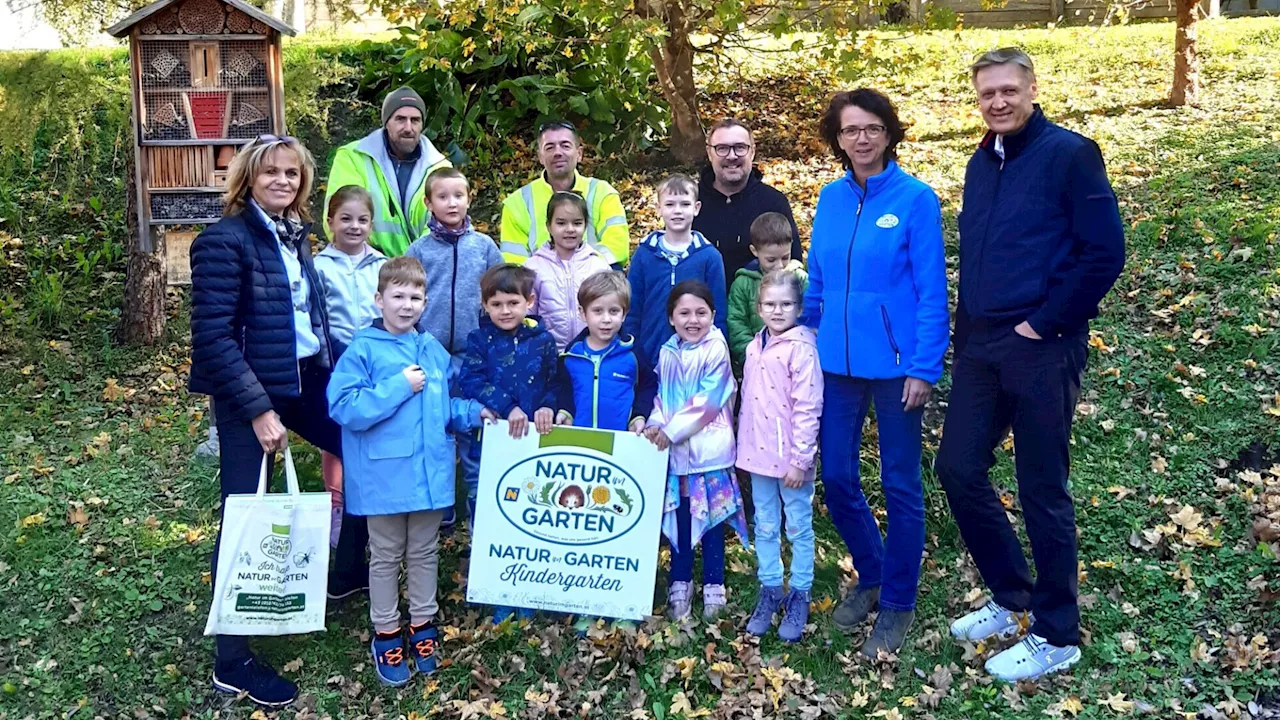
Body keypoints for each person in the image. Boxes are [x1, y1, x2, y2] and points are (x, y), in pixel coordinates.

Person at [936, 48, 1125, 682]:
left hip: (1044, 343)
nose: (998, 102)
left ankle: (1057, 632)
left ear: (1032, 89)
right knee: (958, 468)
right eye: (987, 93)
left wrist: (1043, 322)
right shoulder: (979, 161)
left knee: (1042, 488)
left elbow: (1105, 253)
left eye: (1009, 90)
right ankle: (1011, 593)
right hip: (983, 346)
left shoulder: (1070, 154)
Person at [188, 135, 369, 708]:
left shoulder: (295, 238)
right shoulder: (223, 240)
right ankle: (233, 658)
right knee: (243, 511)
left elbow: (306, 320)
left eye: (293, 173)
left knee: (361, 452)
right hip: (253, 394)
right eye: (272, 173)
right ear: (248, 177)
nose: (284, 181)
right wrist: (260, 410)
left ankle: (345, 575)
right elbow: (212, 338)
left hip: (303, 379)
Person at [802, 89, 949, 658]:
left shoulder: (916, 200)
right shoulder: (831, 198)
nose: (861, 139)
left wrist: (923, 366)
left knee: (900, 484)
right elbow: (817, 277)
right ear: (837, 139)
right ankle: (873, 572)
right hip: (836, 364)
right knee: (836, 477)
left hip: (895, 369)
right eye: (849, 130)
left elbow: (932, 291)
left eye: (871, 128)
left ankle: (898, 602)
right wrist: (805, 335)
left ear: (889, 133)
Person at [326, 257, 494, 687]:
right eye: (397, 296)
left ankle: (422, 625)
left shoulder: (431, 349)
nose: (407, 305)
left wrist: (474, 412)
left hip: (429, 472)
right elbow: (344, 407)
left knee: (423, 552)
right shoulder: (362, 349)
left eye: (415, 297)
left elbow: (444, 407)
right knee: (384, 555)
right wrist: (398, 385)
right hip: (384, 477)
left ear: (425, 301)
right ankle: (385, 631)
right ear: (379, 299)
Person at [459, 263, 565, 622]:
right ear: (485, 305)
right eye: (497, 304)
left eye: (513, 303)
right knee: (493, 513)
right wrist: (508, 407)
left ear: (529, 302)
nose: (505, 311)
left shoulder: (543, 341)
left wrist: (549, 407)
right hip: (492, 444)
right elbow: (470, 380)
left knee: (533, 511)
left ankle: (533, 589)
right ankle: (498, 590)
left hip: (535, 445)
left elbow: (554, 383)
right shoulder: (479, 341)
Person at [554, 271, 658, 633]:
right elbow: (562, 393)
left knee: (621, 524)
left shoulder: (633, 353)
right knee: (585, 527)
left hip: (622, 454)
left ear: (624, 313)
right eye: (598, 311)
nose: (606, 319)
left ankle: (624, 602)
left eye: (614, 311)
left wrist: (641, 415)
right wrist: (563, 411)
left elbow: (648, 386)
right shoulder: (571, 355)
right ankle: (585, 600)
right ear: (583, 313)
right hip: (582, 457)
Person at [403, 167, 504, 527]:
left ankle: (480, 507)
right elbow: (407, 298)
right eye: (443, 197)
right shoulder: (419, 250)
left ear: (468, 199)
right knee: (437, 430)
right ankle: (441, 505)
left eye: (458, 195)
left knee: (475, 429)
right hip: (430, 355)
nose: (452, 203)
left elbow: (499, 296)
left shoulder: (485, 247)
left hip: (474, 355)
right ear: (429, 203)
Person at [644, 280, 747, 621]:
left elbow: (708, 402)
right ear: (671, 318)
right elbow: (663, 397)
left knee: (712, 519)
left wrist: (671, 432)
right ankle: (680, 582)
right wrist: (656, 424)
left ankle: (714, 586)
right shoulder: (667, 352)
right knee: (682, 517)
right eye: (684, 313)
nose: (693, 320)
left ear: (713, 315)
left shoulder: (716, 349)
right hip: (677, 458)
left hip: (710, 454)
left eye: (701, 312)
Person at [737, 271, 822, 642]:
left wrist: (801, 460)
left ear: (799, 308)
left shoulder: (802, 348)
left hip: (791, 462)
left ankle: (799, 592)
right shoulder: (755, 346)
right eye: (770, 304)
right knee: (766, 525)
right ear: (759, 308)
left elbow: (808, 407)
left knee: (798, 525)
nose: (777, 310)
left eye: (785, 304)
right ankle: (770, 588)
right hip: (758, 456)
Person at [314, 185, 387, 547]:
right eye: (346, 219)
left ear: (371, 224)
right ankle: (336, 503)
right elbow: (317, 317)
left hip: (376, 360)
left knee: (373, 427)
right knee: (337, 432)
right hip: (336, 359)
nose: (354, 227)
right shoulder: (318, 267)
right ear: (330, 222)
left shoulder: (382, 264)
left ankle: (371, 500)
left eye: (362, 220)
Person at [325, 87, 453, 257]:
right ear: (386, 122)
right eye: (400, 119)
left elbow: (446, 224)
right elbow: (339, 216)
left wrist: (411, 267)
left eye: (415, 120)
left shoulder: (440, 167)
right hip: (365, 267)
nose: (408, 127)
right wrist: (373, 265)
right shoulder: (352, 157)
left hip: (423, 269)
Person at [623, 174, 728, 367]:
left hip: (696, 360)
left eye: (685, 204)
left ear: (696, 208)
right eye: (670, 204)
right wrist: (632, 348)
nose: (677, 211)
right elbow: (633, 307)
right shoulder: (645, 254)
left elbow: (718, 311)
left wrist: (718, 354)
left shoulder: (709, 257)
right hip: (649, 355)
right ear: (659, 209)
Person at [499, 122, 630, 268]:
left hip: (594, 282)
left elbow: (616, 248)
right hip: (540, 285)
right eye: (549, 147)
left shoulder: (603, 193)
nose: (558, 152)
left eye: (565, 145)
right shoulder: (516, 203)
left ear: (579, 154)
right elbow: (513, 264)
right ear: (540, 157)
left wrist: (578, 270)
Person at [693, 118, 803, 288]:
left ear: (752, 151)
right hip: (698, 310)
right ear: (709, 153)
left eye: (740, 148)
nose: (731, 156)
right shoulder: (689, 203)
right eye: (722, 148)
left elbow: (792, 267)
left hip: (758, 310)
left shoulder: (773, 203)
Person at [524, 191, 612, 351]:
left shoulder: (598, 266)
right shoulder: (533, 268)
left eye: (577, 223)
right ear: (549, 226)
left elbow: (612, 309)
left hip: (590, 354)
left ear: (585, 225)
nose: (570, 229)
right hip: (548, 355)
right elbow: (527, 317)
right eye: (561, 223)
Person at [726, 212, 808, 376]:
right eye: (771, 260)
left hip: (795, 361)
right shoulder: (743, 283)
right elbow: (736, 322)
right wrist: (751, 354)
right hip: (757, 362)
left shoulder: (799, 279)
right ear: (754, 251)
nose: (779, 266)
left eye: (785, 258)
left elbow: (810, 316)